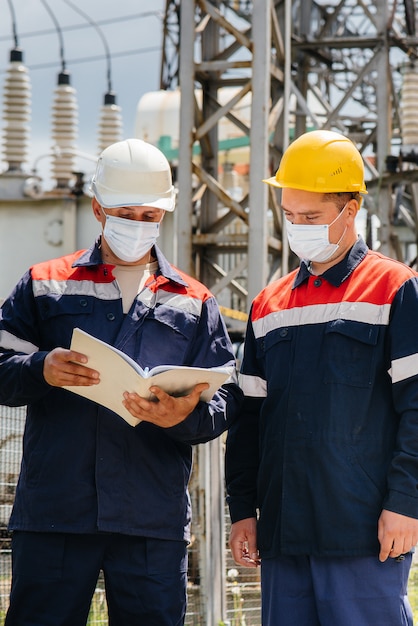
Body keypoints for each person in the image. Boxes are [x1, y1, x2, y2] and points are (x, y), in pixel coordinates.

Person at [0, 138, 243, 626]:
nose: (137, 225)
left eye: (149, 215)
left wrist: (185, 415)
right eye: (124, 212)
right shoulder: (46, 284)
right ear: (97, 208)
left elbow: (227, 401)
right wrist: (40, 368)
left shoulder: (193, 301)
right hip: (56, 515)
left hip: (151, 518)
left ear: (164, 215)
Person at [225, 129, 418, 626]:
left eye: (310, 218)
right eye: (290, 217)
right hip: (284, 534)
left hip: (363, 534)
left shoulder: (395, 288)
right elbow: (248, 420)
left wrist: (407, 503)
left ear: (349, 211)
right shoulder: (268, 304)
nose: (298, 228)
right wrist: (242, 509)